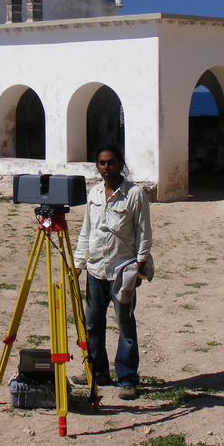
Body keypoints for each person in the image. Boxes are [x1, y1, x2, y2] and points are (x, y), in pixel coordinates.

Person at [72, 144, 152, 400]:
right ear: (97, 166)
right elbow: (87, 231)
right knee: (93, 324)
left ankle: (127, 378)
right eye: (102, 163)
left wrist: (139, 266)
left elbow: (143, 232)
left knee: (125, 325)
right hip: (96, 271)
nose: (106, 168)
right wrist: (79, 263)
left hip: (122, 272)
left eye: (111, 163)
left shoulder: (135, 194)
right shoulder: (93, 193)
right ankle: (97, 371)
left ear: (120, 164)